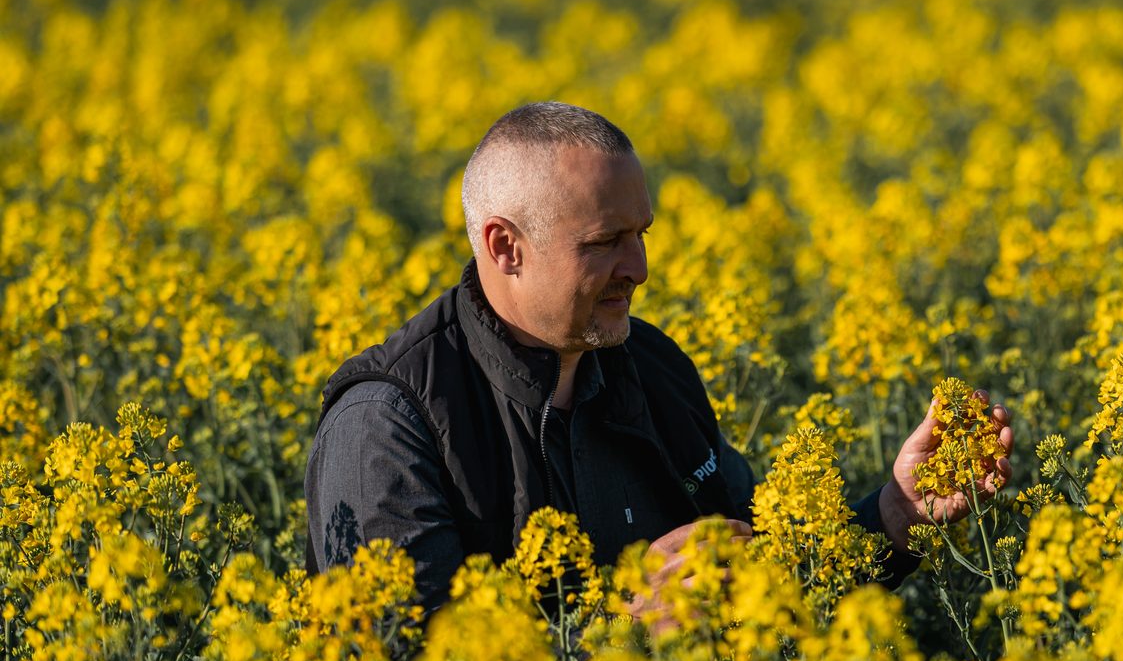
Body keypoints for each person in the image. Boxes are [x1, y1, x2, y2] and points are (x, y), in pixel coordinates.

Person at [304, 101, 1012, 617]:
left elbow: (765, 576)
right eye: (605, 241)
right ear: (504, 246)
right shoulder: (388, 424)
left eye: (642, 234)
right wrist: (621, 632)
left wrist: (895, 515)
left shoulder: (651, 364)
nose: (639, 268)